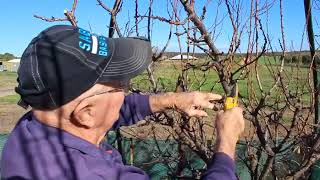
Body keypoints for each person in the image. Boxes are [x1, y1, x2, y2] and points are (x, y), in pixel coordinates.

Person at [0, 25, 244, 180]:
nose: (126, 91)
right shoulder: (96, 174)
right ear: (86, 113)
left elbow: (111, 111)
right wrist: (226, 143)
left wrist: (173, 100)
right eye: (121, 86)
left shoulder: (34, 126)